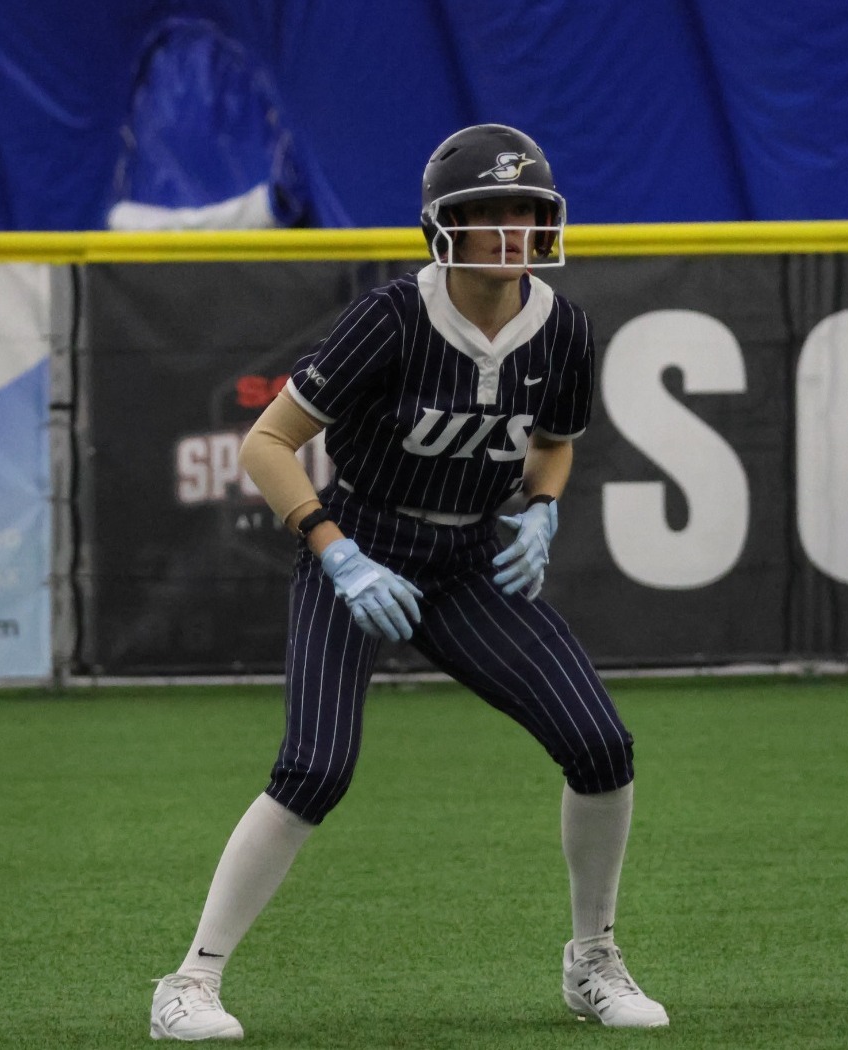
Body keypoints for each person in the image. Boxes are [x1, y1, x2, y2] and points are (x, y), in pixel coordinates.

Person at [149, 123, 668, 1040]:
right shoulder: (393, 317)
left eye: (524, 210)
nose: (510, 230)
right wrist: (334, 548)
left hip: (468, 557)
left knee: (600, 745)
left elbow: (553, 441)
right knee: (315, 767)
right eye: (487, 211)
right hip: (366, 541)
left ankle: (593, 957)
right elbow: (267, 443)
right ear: (443, 226)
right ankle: (190, 980)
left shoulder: (566, 327)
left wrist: (541, 508)